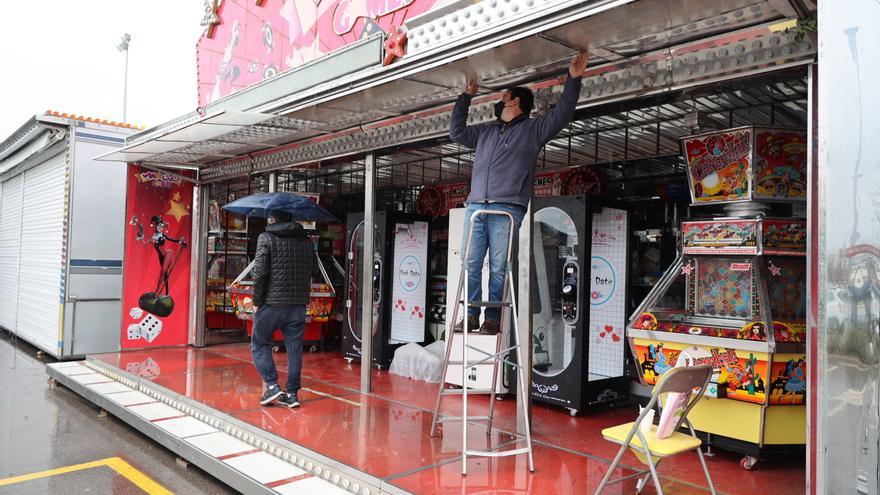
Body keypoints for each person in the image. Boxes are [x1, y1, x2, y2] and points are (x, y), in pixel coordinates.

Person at [449, 51, 590, 335]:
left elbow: (562, 114)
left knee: (499, 267)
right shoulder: (486, 132)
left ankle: (491, 318)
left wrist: (574, 78)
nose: (499, 101)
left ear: (515, 101)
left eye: (503, 97)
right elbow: (456, 132)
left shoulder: (533, 129)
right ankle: (472, 314)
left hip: (507, 208)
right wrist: (465, 97)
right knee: (471, 263)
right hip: (477, 206)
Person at [251, 210, 316, 408]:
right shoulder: (307, 241)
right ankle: (293, 394)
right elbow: (312, 270)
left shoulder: (266, 237)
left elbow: (260, 273)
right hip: (297, 305)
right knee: (295, 349)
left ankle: (272, 385)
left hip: (272, 303)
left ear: (272, 219)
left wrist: (256, 301)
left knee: (259, 342)